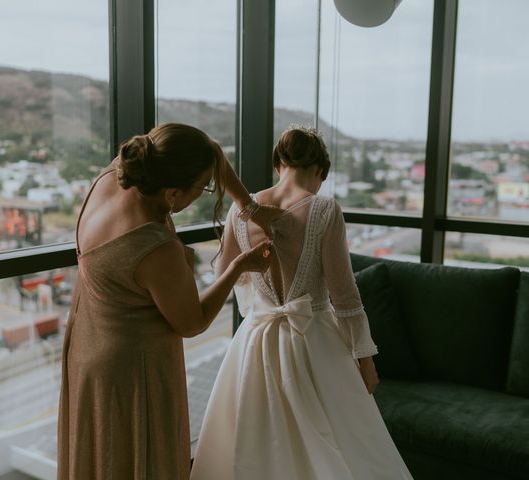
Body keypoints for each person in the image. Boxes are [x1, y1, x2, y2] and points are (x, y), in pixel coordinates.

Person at [57, 123, 280, 479]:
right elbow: (192, 322)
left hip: (87, 345)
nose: (206, 193)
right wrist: (239, 265)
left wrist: (248, 205)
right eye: (202, 188)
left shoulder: (120, 173)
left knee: (101, 456)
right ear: (173, 193)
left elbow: (212, 153)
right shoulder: (156, 249)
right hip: (133, 370)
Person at [191, 126, 413, 479]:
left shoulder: (241, 209)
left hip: (255, 339)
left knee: (254, 440)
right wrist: (365, 359)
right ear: (319, 172)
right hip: (313, 339)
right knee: (342, 445)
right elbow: (344, 295)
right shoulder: (323, 209)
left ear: (279, 164)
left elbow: (226, 271)